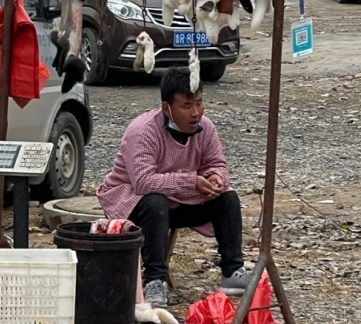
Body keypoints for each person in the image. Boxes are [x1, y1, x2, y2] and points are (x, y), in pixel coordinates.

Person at [97, 66, 251, 308]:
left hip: (181, 199)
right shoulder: (143, 131)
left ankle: (233, 271)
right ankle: (154, 281)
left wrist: (215, 178)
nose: (196, 113)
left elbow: (216, 163)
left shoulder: (206, 128)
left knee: (227, 197)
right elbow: (143, 181)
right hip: (131, 200)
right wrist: (190, 181)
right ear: (167, 108)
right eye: (187, 106)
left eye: (199, 103)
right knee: (155, 200)